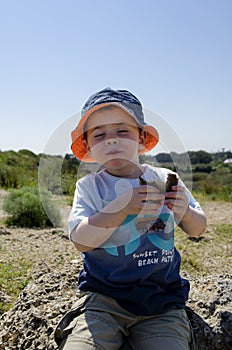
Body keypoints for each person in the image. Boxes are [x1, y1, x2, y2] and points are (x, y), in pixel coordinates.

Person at [56, 87, 207, 350]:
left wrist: (184, 210)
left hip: (162, 301)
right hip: (104, 299)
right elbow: (81, 241)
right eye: (99, 134)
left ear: (141, 137)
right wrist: (119, 209)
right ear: (89, 145)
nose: (111, 140)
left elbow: (197, 229)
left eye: (122, 131)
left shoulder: (164, 179)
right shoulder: (90, 187)